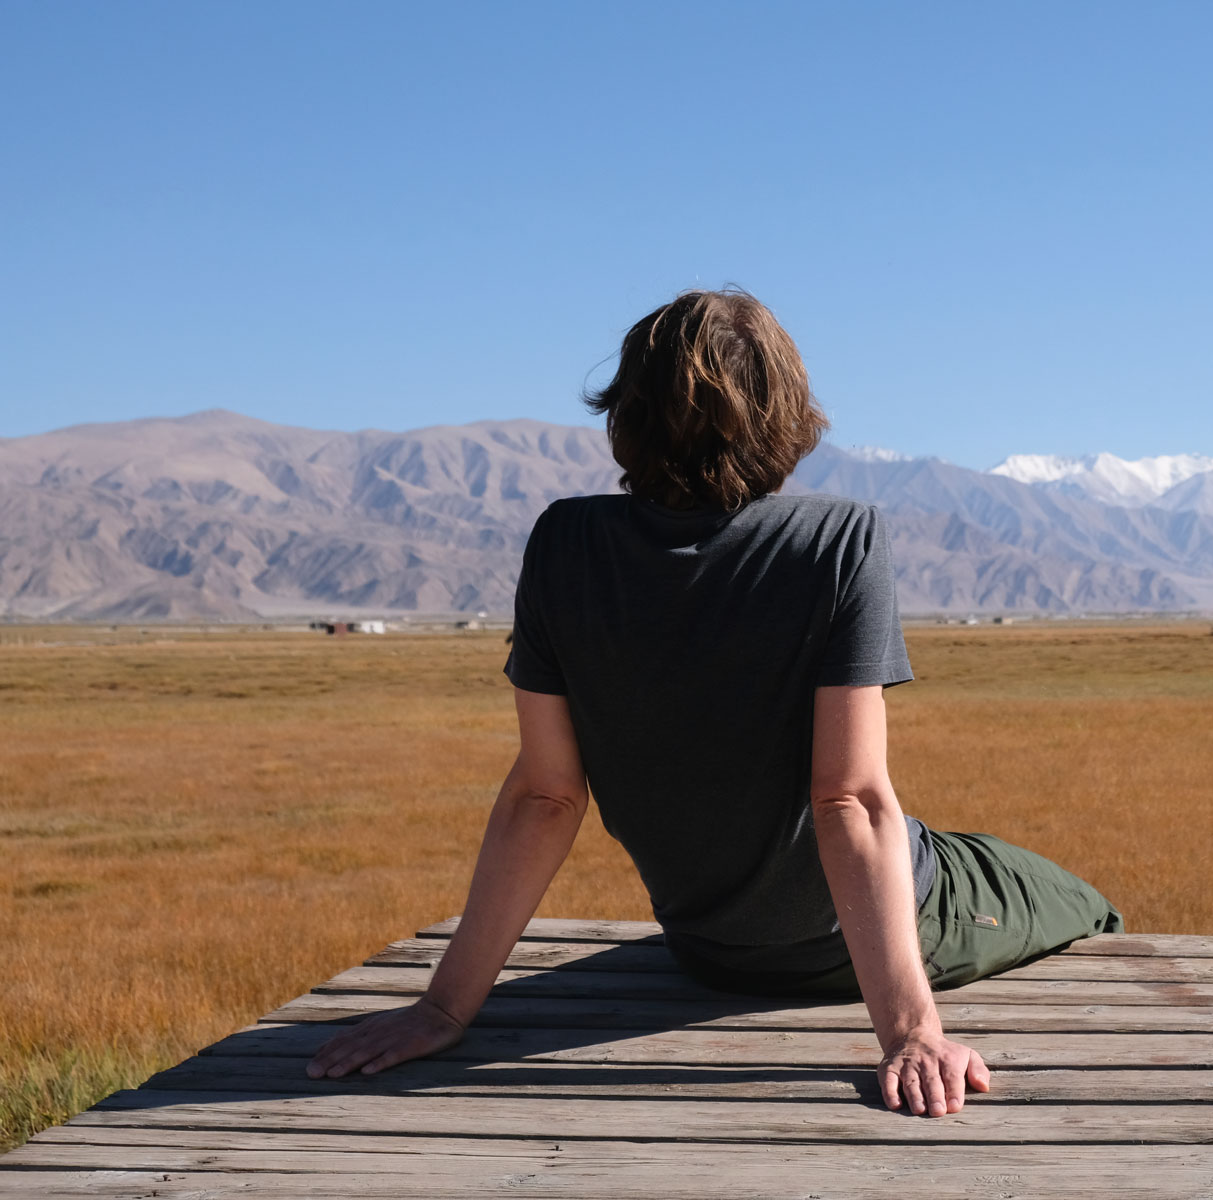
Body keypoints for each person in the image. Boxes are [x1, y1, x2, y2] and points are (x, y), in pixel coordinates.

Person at [305, 288, 1122, 1117]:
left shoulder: (563, 543)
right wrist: (911, 1032)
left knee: (959, 846)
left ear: (628, 414)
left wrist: (443, 1009)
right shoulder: (837, 541)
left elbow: (545, 794)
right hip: (869, 930)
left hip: (706, 948)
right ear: (784, 416)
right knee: (1086, 905)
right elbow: (849, 798)